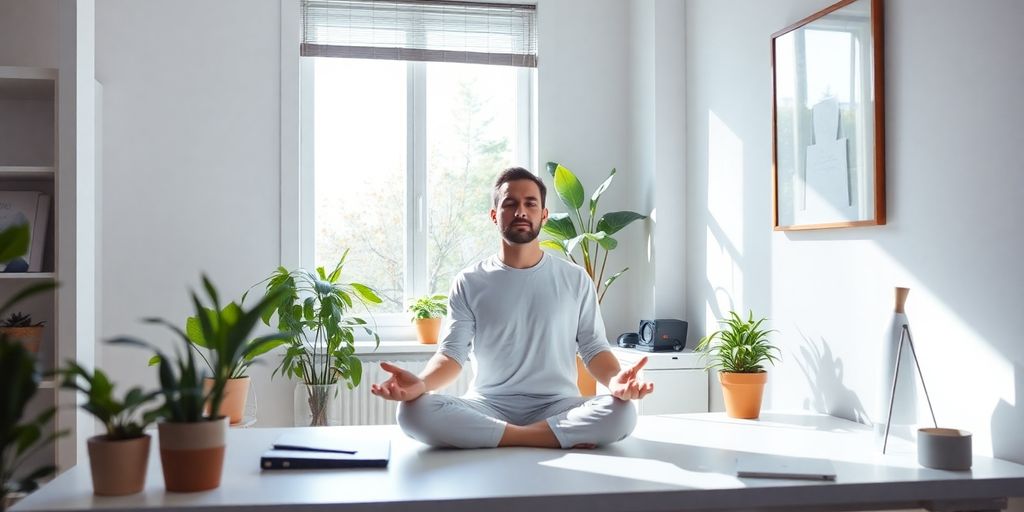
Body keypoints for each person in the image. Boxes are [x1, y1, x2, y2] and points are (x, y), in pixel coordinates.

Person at [370, 167, 653, 449]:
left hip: (558, 405)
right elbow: (452, 355)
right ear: (495, 215)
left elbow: (593, 348)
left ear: (543, 215)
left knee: (623, 413)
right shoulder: (469, 281)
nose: (521, 211)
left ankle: (500, 437)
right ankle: (543, 437)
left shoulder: (575, 279)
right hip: (488, 405)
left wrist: (616, 381)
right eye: (510, 204)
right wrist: (420, 383)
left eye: (530, 203)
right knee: (411, 411)